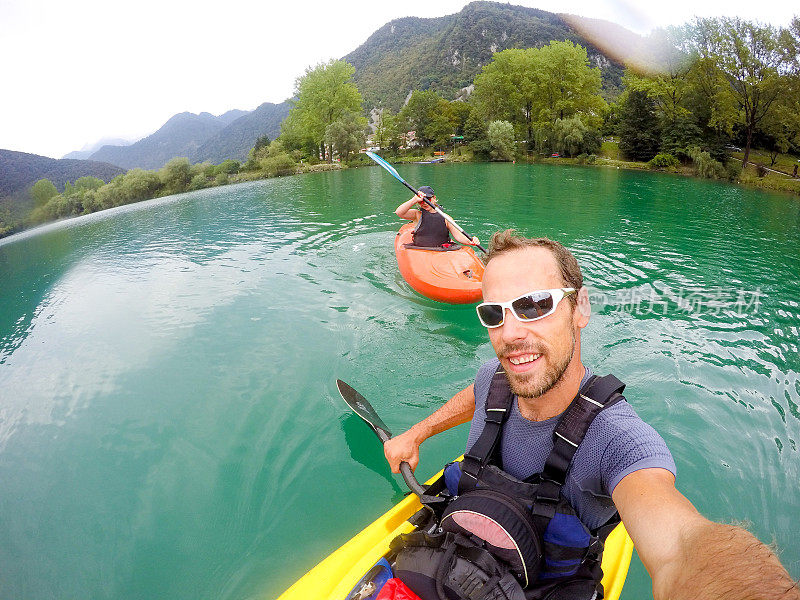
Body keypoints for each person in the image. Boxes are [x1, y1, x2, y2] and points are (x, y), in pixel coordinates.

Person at [384, 229, 799, 600]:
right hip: (455, 561)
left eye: (534, 305)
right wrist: (418, 433)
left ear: (579, 308)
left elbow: (681, 548)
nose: (509, 333)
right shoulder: (496, 375)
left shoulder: (620, 441)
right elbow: (480, 392)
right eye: (494, 313)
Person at [395, 186, 479, 248]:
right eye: (421, 201)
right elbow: (399, 212)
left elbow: (458, 236)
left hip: (441, 251)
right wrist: (414, 200)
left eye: (428, 199)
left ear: (434, 198)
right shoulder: (417, 214)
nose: (424, 203)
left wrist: (470, 241)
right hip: (420, 250)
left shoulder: (446, 218)